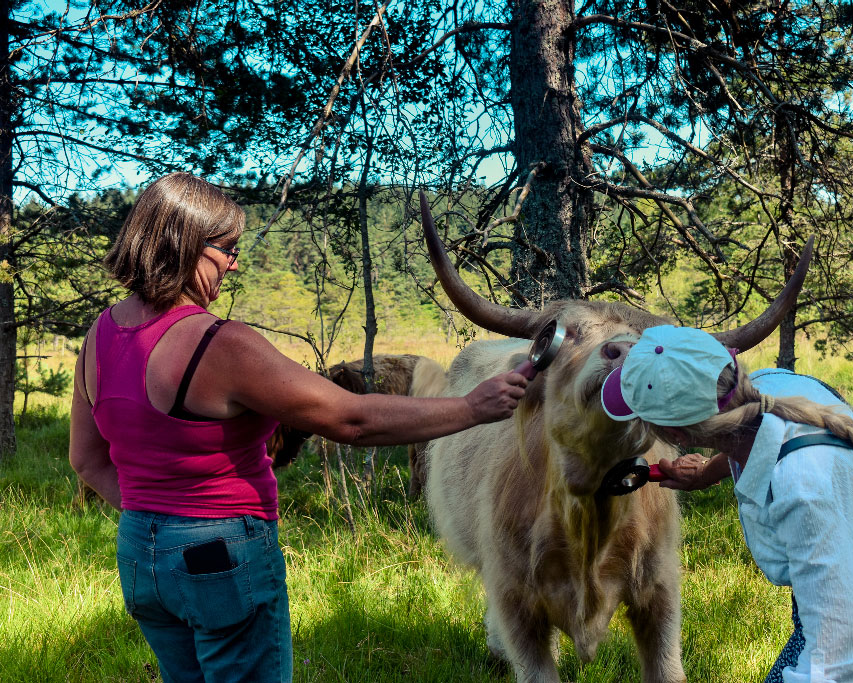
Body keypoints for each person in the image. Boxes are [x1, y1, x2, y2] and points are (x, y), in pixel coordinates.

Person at [68, 172, 528, 683]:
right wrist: (471, 407)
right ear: (186, 246)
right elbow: (351, 419)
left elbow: (86, 460)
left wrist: (159, 524)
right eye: (226, 248)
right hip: (219, 554)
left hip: (139, 553)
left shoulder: (100, 335)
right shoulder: (219, 345)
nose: (235, 262)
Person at [600, 325, 853, 682]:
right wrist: (708, 472)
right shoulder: (766, 389)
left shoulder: (804, 491)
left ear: (675, 435)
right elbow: (756, 437)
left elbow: (835, 658)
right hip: (848, 607)